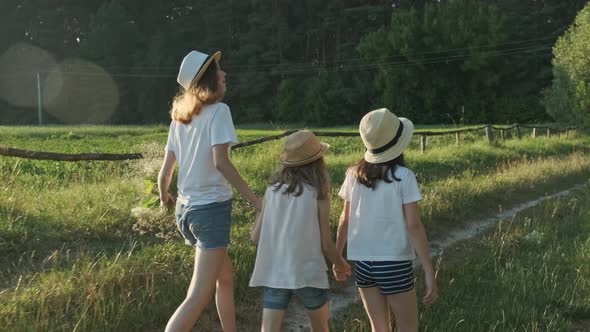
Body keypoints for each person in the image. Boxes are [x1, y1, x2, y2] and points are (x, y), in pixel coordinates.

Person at [158, 50, 261, 332]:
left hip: (186, 213)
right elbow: (221, 162)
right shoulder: (220, 112)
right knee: (197, 296)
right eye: (219, 70)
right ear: (208, 80)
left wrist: (163, 195)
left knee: (225, 276)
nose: (224, 74)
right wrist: (256, 202)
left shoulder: (179, 119)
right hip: (210, 213)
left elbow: (165, 172)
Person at [335, 108, 438, 332]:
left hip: (362, 263)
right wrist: (429, 271)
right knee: (408, 327)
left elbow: (344, 219)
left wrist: (337, 257)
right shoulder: (405, 177)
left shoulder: (353, 174)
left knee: (379, 328)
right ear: (398, 143)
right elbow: (413, 225)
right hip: (394, 263)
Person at [249, 130, 351, 332]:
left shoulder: (272, 191)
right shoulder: (318, 194)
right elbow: (326, 244)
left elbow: (255, 237)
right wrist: (341, 264)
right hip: (308, 271)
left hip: (275, 272)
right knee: (320, 327)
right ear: (317, 163)